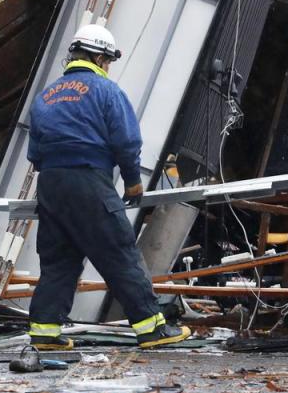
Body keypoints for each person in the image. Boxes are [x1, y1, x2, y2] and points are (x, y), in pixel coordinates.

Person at [25, 24, 190, 350]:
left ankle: (45, 333)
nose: (108, 67)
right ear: (101, 57)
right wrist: (132, 182)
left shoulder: (45, 96)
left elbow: (35, 154)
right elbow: (127, 142)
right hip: (88, 181)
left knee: (59, 260)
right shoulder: (105, 90)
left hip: (51, 185)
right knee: (119, 252)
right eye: (108, 61)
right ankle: (152, 329)